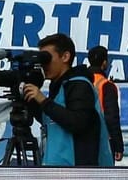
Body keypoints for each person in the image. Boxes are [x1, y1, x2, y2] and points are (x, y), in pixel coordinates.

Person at [19, 33, 110, 167]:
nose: (44, 64)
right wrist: (30, 100)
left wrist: (43, 101)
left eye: (47, 58)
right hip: (57, 166)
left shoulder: (79, 84)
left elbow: (79, 122)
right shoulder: (59, 85)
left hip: (77, 170)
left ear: (65, 57)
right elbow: (50, 119)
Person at [87, 45, 124, 163]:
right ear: (104, 63)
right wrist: (118, 146)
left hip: (82, 140)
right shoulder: (106, 85)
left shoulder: (81, 81)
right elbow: (112, 117)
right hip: (103, 141)